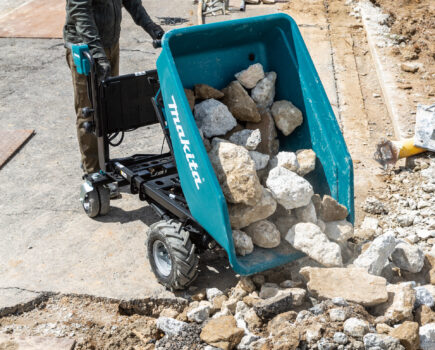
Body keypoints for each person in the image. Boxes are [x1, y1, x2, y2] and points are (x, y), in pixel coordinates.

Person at [64, 0, 164, 174]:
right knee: (90, 112)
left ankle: (101, 161)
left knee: (108, 106)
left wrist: (150, 26)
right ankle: (94, 172)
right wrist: (97, 54)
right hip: (85, 48)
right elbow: (80, 12)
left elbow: (132, 2)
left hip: (109, 43)